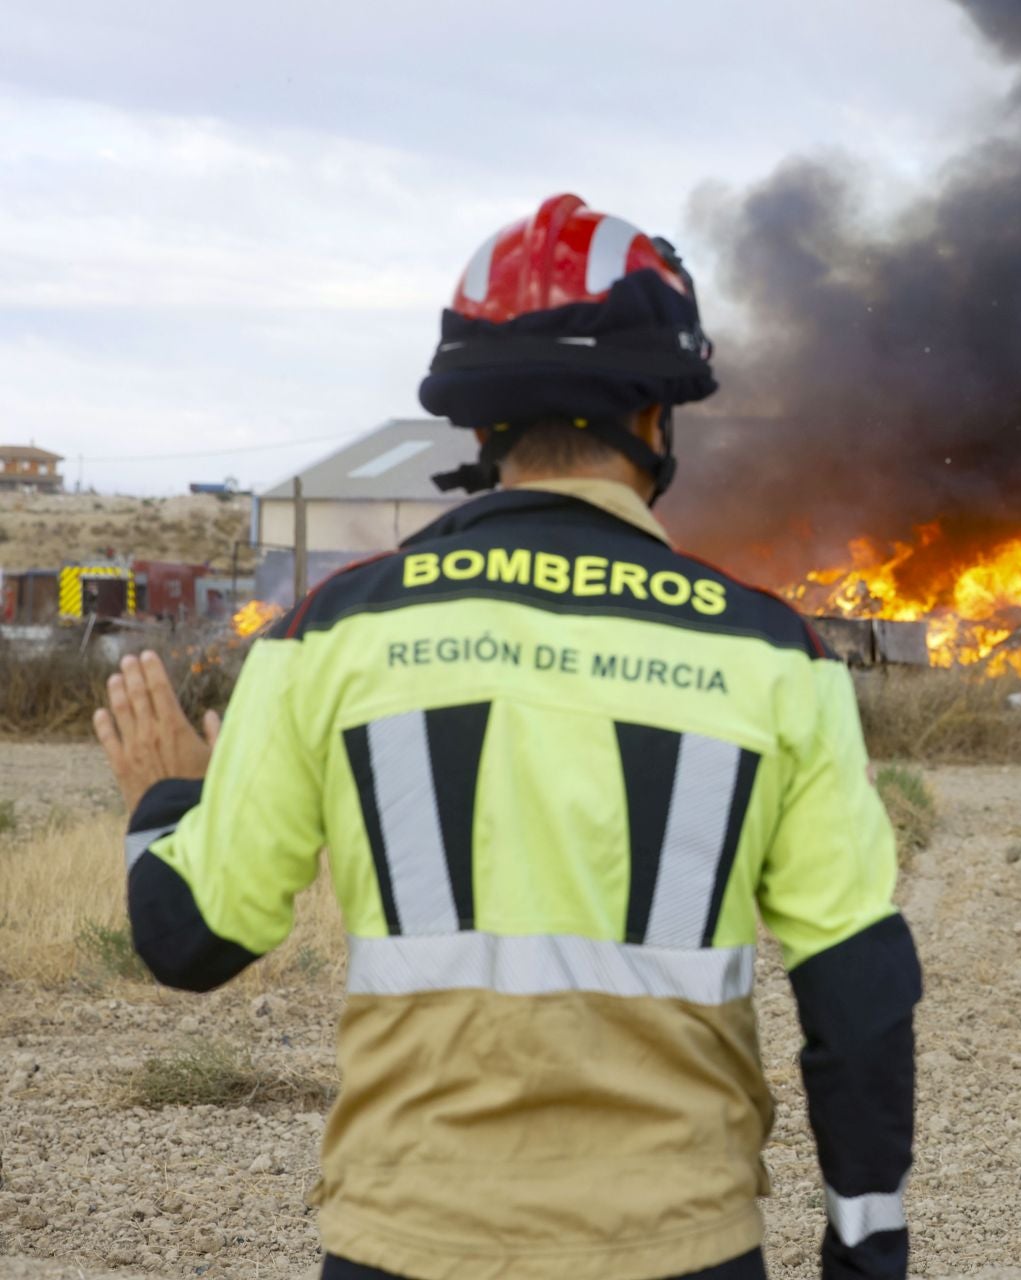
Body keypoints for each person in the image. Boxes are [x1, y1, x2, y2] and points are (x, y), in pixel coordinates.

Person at [93, 194, 919, 1280]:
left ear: (478, 427)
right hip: (681, 1241)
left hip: (406, 1239)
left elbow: (191, 939)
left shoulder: (336, 631)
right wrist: (867, 1253)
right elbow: (855, 994)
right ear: (658, 419)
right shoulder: (777, 655)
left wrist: (168, 804)